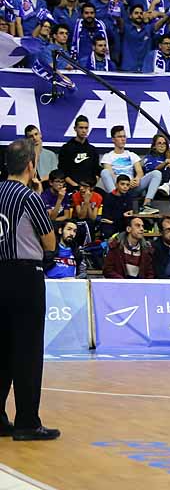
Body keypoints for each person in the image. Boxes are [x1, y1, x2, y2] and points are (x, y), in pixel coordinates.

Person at [0, 138, 59, 440]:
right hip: (24, 276)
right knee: (27, 351)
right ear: (30, 165)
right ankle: (26, 422)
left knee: (0, 350)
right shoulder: (28, 197)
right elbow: (50, 243)